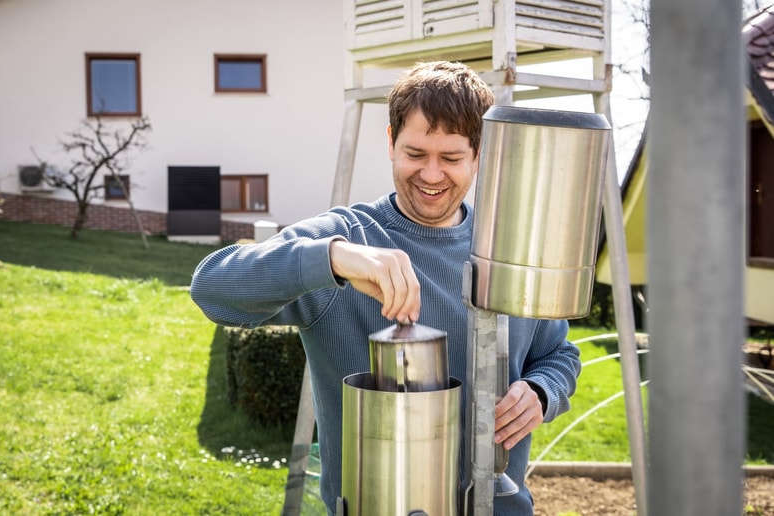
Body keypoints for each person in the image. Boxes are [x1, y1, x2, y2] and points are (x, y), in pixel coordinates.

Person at [190, 60, 581, 515]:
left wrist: (541, 391)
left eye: (451, 158)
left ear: (480, 155)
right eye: (415, 154)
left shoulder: (511, 248)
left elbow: (558, 354)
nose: (432, 175)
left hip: (502, 505)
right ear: (391, 143)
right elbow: (211, 287)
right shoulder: (349, 236)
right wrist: (333, 257)